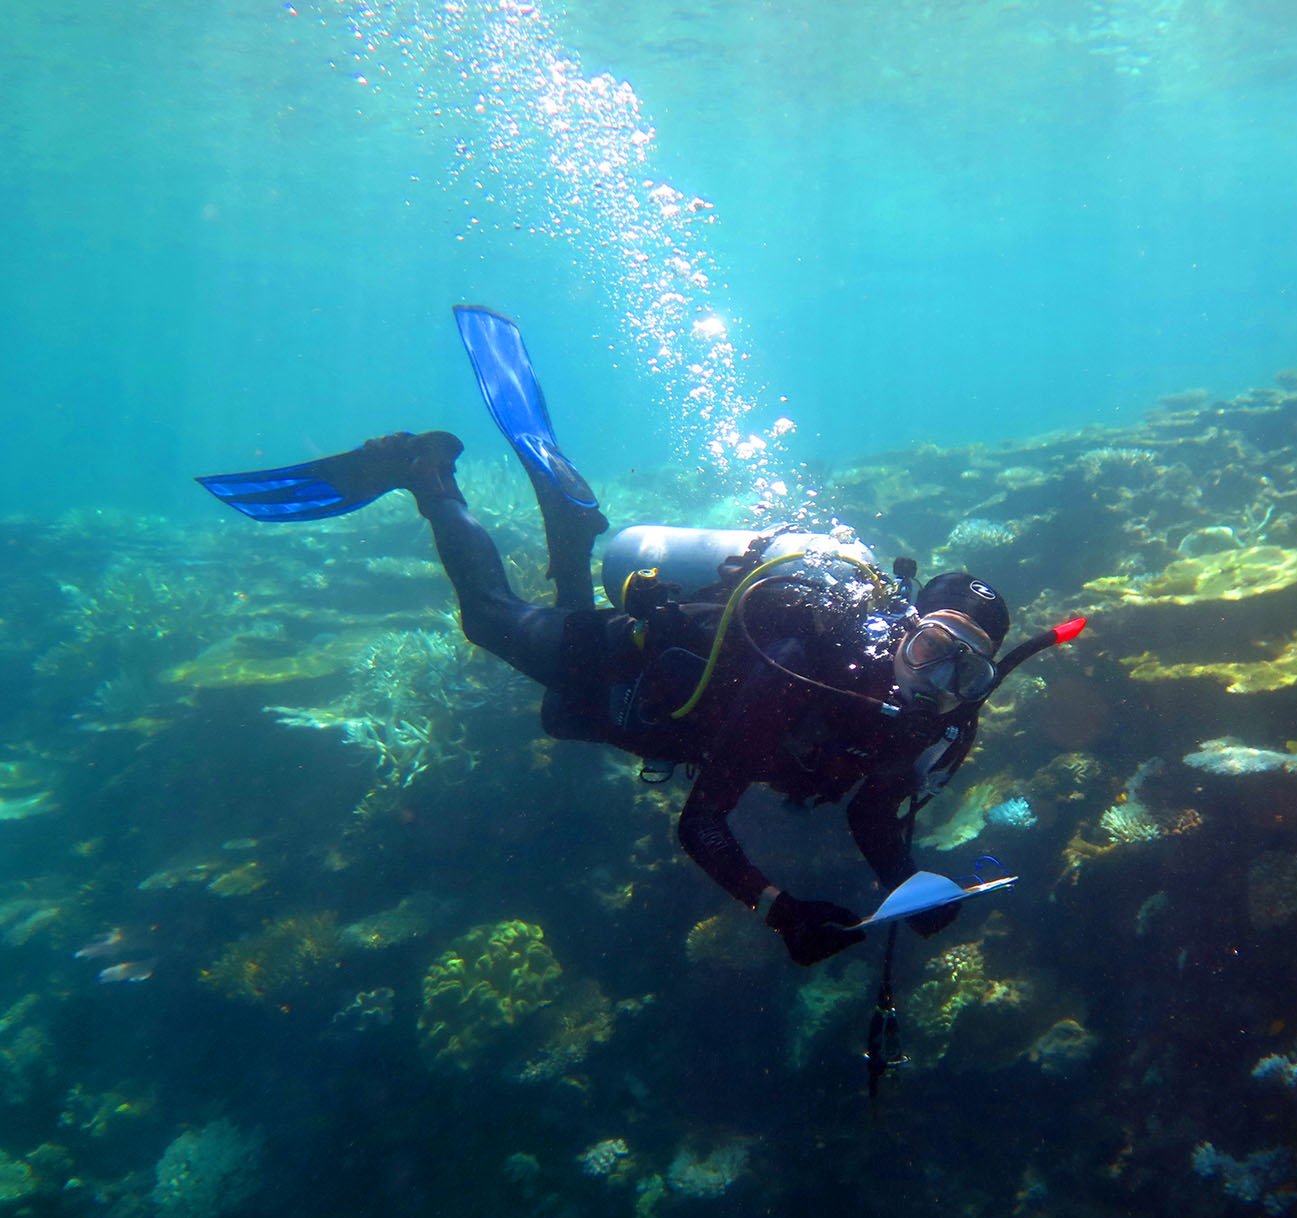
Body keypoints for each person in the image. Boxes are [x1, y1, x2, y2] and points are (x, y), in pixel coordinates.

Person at [198, 309, 1079, 965]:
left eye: (963, 671)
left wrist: (903, 882)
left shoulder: (932, 725)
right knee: (490, 621)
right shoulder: (803, 667)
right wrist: (779, 911)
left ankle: (570, 528)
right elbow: (701, 823)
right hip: (631, 660)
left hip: (651, 718)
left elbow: (872, 810)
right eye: (932, 649)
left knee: (562, 715)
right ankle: (426, 475)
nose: (935, 683)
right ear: (905, 626)